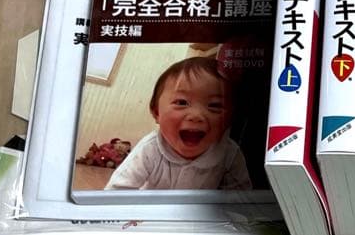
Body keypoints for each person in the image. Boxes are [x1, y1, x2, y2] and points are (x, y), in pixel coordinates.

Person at [106, 56, 252, 191]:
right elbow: (116, 191)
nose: (197, 116)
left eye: (215, 105)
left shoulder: (229, 154)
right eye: (181, 102)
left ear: (230, 119)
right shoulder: (150, 149)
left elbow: (241, 200)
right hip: (153, 210)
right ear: (157, 112)